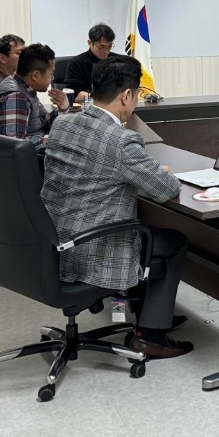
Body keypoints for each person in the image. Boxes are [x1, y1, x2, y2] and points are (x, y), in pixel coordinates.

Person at [41, 55, 192, 359]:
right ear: (126, 95)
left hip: (51, 241)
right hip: (94, 249)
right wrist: (157, 172)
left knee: (146, 231)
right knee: (175, 242)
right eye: (136, 97)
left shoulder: (63, 123)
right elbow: (167, 190)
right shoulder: (121, 141)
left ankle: (149, 312)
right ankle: (151, 334)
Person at [0, 43, 69, 151]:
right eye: (51, 74)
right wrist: (53, 140)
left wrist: (62, 109)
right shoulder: (15, 97)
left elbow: (42, 122)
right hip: (11, 164)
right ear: (36, 75)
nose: (53, 78)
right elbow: (14, 144)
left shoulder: (25, 88)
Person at [64, 23, 116, 103]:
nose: (106, 51)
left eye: (109, 46)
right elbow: (74, 93)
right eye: (101, 47)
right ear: (90, 43)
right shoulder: (76, 63)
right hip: (85, 107)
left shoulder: (117, 61)